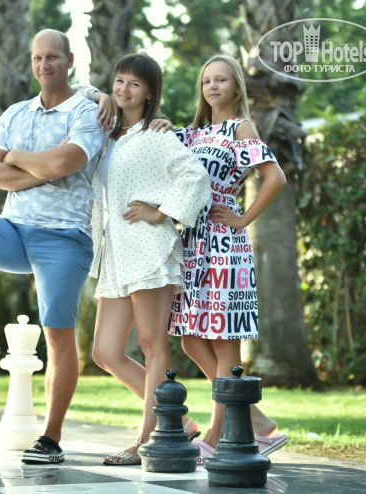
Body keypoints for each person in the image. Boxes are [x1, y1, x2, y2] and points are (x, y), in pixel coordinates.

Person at [0, 29, 106, 465]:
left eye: (53, 57)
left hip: (65, 237)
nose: (44, 65)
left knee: (57, 336)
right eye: (37, 58)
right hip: (13, 229)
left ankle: (51, 437)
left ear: (69, 60)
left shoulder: (88, 111)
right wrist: (42, 167)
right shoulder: (14, 114)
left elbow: (67, 161)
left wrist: (16, 157)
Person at [152, 54, 289, 463]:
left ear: (236, 87)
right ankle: (256, 421)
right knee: (192, 338)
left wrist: (243, 218)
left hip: (225, 244)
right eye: (207, 80)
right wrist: (161, 125)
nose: (212, 86)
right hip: (192, 243)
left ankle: (217, 434)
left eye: (221, 80)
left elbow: (275, 177)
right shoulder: (192, 134)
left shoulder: (238, 128)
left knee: (222, 340)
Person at [87, 53, 210, 466]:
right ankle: (178, 421)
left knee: (152, 345)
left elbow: (195, 177)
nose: (124, 89)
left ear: (150, 93)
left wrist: (162, 212)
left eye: (134, 84)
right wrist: (101, 95)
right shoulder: (109, 134)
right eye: (119, 81)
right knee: (106, 352)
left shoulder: (157, 135)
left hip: (150, 248)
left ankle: (147, 440)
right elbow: (79, 92)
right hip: (116, 253)